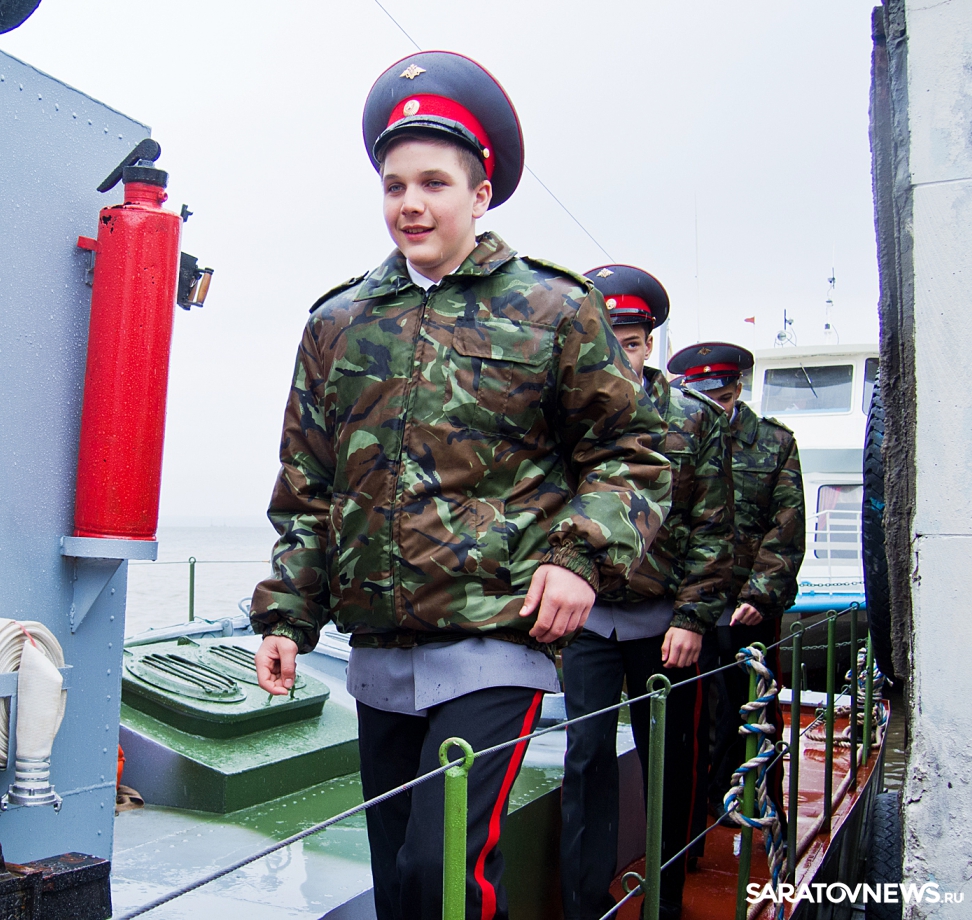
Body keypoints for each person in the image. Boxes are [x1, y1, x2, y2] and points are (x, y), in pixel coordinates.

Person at [249, 51, 672, 920]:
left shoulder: (553, 309)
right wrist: (287, 617)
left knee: (443, 869)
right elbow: (309, 484)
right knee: (397, 878)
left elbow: (633, 452)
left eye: (434, 184)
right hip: (379, 654)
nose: (411, 203)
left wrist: (578, 560)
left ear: (480, 195)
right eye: (395, 185)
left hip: (497, 639)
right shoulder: (338, 323)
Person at [559, 267, 736, 920]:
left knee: (670, 761)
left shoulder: (694, 419)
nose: (620, 356)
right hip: (587, 624)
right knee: (585, 760)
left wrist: (692, 617)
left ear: (649, 344)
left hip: (665, 627)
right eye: (607, 342)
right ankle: (584, 905)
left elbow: (714, 526)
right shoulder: (565, 417)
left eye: (630, 343)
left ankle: (667, 896)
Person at [668, 343, 805, 854]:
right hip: (690, 601)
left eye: (723, 398)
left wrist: (762, 593)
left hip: (747, 602)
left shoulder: (774, 443)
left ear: (738, 389)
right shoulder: (673, 434)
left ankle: (760, 805)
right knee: (697, 712)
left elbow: (787, 523)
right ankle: (699, 818)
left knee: (753, 706)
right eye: (705, 399)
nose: (716, 408)